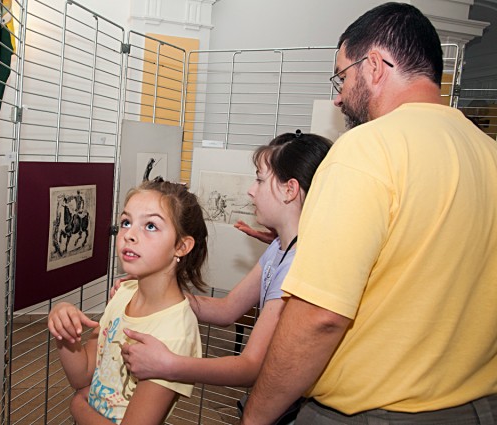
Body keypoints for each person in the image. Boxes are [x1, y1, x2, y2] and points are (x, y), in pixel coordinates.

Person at [241, 3, 497, 424]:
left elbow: (320, 317)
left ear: (374, 66)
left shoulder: (366, 149)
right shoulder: (487, 152)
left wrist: (255, 416)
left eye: (342, 76)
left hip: (375, 413)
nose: (339, 95)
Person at [118, 131, 332, 422]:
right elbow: (227, 309)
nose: (251, 191)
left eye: (260, 180)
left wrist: (170, 365)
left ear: (289, 189)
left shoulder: (299, 263)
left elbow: (250, 366)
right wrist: (154, 295)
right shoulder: (280, 247)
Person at [47, 178, 208, 424]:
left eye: (151, 226)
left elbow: (82, 395)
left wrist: (78, 406)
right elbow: (83, 375)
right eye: (126, 222)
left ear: (181, 246)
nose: (129, 235)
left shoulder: (176, 332)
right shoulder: (124, 293)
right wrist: (64, 328)